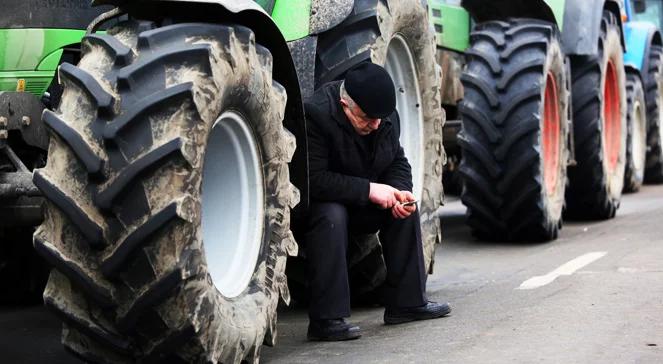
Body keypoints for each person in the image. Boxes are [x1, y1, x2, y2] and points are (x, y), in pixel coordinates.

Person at [303, 62, 451, 342]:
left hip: (361, 198)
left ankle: (407, 303)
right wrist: (370, 190)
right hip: (323, 203)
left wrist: (399, 192)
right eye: (366, 118)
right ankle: (327, 320)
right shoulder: (316, 114)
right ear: (345, 105)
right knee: (331, 216)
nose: (375, 125)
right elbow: (314, 180)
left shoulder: (383, 116)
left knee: (405, 210)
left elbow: (397, 160)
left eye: (379, 119)